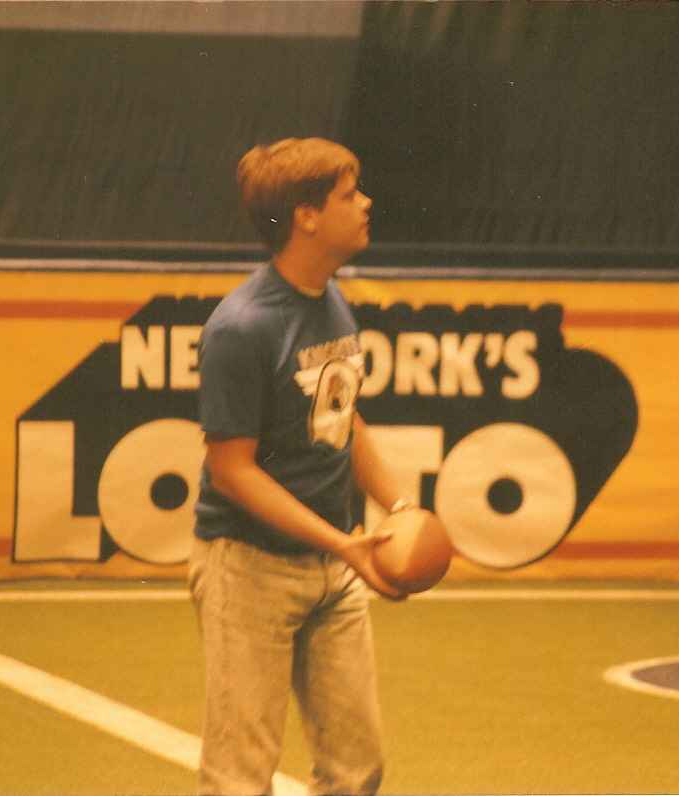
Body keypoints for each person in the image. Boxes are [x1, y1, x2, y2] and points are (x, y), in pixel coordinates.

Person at [189, 137, 414, 796]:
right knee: (239, 779)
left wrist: (402, 510)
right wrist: (345, 541)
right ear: (307, 215)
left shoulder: (331, 301)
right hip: (249, 571)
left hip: (331, 571)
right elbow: (232, 470)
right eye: (350, 193)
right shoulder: (243, 327)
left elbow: (342, 418)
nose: (367, 204)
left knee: (357, 768)